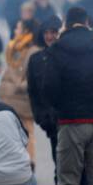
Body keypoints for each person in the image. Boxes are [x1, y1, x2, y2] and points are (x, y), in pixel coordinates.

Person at [46, 7, 93, 185]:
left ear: (66, 24)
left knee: (68, 182)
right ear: (87, 23)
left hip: (71, 121)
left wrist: (62, 106)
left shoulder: (56, 50)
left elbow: (48, 88)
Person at [0, 18, 40, 165]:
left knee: (26, 133)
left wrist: (16, 87)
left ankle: (28, 163)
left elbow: (32, 78)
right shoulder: (16, 48)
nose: (15, 31)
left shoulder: (33, 51)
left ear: (26, 32)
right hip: (11, 99)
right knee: (14, 135)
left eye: (18, 28)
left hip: (22, 100)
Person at [27, 15, 62, 165]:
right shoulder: (35, 59)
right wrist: (41, 118)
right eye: (46, 33)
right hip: (50, 122)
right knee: (58, 165)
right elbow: (33, 92)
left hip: (70, 119)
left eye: (53, 32)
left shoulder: (66, 56)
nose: (49, 36)